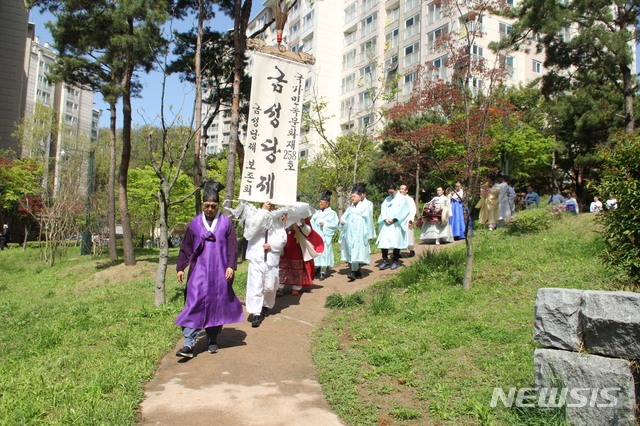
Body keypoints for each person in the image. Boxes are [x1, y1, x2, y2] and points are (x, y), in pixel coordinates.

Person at [174, 181, 244, 358]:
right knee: (194, 302)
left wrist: (231, 266)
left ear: (218, 205)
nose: (210, 209)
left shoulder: (226, 223)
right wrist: (181, 267)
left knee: (216, 304)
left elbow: (232, 246)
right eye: (207, 206)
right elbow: (186, 246)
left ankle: (212, 338)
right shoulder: (195, 223)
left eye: (213, 206)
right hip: (199, 271)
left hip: (220, 272)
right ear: (203, 205)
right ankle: (189, 342)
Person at [243, 200, 288, 328]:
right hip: (256, 257)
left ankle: (265, 305)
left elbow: (283, 239)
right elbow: (249, 232)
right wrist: (262, 211)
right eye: (267, 205)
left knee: (270, 285)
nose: (270, 208)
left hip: (271, 258)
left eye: (272, 206)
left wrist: (272, 246)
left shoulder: (278, 223)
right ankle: (256, 313)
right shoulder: (254, 217)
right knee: (255, 284)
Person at [278, 203, 324, 296]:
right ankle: (279, 286)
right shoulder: (282, 216)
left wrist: (302, 224)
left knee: (297, 264)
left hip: (297, 243)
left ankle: (296, 286)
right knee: (282, 264)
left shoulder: (301, 217)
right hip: (284, 242)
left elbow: (308, 231)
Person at [339, 185, 373, 281]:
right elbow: (344, 217)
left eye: (354, 196)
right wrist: (342, 221)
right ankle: (356, 271)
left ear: (360, 197)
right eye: (351, 197)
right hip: (350, 233)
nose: (352, 198)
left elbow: (369, 221)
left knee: (357, 250)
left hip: (360, 233)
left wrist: (369, 234)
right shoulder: (350, 208)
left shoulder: (365, 207)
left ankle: (354, 272)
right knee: (352, 250)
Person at [377, 177, 410, 270]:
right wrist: (385, 218)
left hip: (396, 224)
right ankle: (385, 261)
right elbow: (383, 209)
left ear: (396, 190)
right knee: (384, 242)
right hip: (387, 224)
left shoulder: (402, 199)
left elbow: (404, 211)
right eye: (389, 192)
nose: (390, 194)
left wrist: (394, 219)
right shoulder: (387, 199)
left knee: (396, 243)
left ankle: (395, 261)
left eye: (392, 192)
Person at [310, 190, 339, 280]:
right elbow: (311, 222)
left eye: (322, 202)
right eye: (320, 202)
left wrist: (325, 224)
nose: (320, 203)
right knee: (317, 252)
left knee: (324, 253)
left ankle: (323, 271)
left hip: (325, 236)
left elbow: (335, 224)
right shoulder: (317, 212)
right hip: (317, 235)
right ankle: (317, 268)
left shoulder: (332, 213)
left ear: (327, 203)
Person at [399, 183, 417, 257]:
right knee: (399, 236)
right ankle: (397, 252)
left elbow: (413, 209)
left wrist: (411, 220)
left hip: (407, 220)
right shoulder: (397, 199)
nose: (401, 190)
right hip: (399, 220)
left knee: (408, 235)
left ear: (406, 191)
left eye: (403, 189)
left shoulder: (409, 199)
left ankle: (411, 249)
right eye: (400, 188)